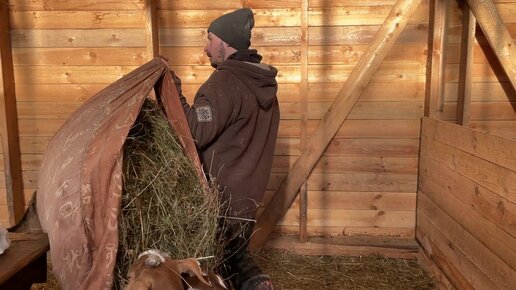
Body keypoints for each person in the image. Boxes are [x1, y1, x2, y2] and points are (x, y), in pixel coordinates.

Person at [172, 8, 279, 290]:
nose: (206, 48)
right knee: (234, 261)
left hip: (222, 198)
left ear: (225, 42)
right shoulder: (261, 83)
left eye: (210, 39)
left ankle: (257, 285)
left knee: (228, 266)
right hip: (248, 197)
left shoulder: (225, 83)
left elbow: (196, 130)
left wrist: (174, 94)